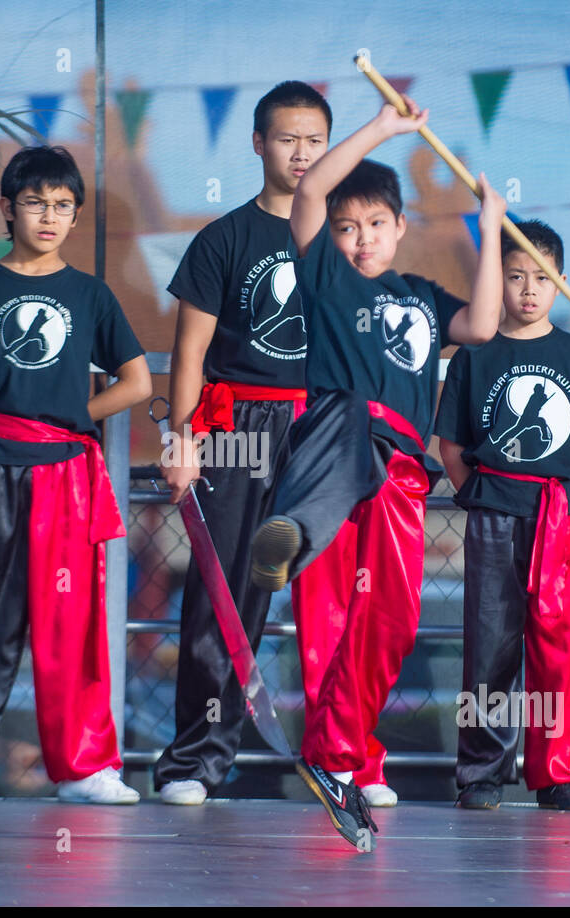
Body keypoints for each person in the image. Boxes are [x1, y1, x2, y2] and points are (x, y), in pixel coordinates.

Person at [250, 94, 505, 846]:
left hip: (401, 466)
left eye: (375, 226)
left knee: (389, 622)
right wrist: (384, 129)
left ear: (400, 229)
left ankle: (338, 755)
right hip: (341, 425)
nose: (360, 239)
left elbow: (484, 326)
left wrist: (489, 232)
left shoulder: (421, 297)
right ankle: (293, 529)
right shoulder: (327, 279)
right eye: (347, 227)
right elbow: (309, 193)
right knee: (337, 464)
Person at [153, 82, 396, 807]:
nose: (301, 153)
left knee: (340, 596)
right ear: (258, 144)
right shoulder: (223, 239)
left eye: (315, 141)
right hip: (239, 429)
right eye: (287, 139)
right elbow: (189, 350)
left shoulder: (341, 239)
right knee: (223, 594)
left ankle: (348, 762)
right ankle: (196, 761)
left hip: (324, 427)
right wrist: (183, 436)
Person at [0, 145, 151, 805]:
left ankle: (82, 768)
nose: (49, 216)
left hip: (66, 474)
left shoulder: (91, 295)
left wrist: (72, 419)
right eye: (35, 202)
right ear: (7, 209)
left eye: (63, 206)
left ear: (75, 216)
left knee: (71, 619)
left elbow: (136, 383)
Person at [436, 220, 570, 811]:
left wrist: (557, 492)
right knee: (489, 642)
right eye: (515, 277)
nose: (528, 290)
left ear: (561, 283)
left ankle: (556, 773)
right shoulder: (474, 355)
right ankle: (481, 771)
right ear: (497, 281)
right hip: (493, 509)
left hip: (558, 516)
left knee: (555, 644)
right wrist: (487, 493)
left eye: (541, 277)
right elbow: (453, 447)